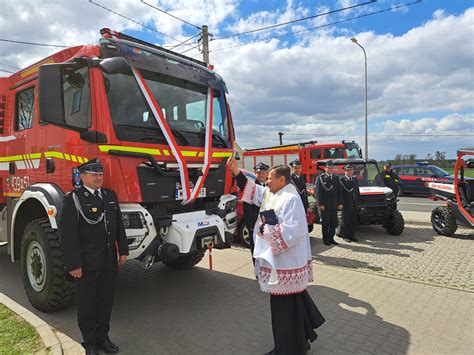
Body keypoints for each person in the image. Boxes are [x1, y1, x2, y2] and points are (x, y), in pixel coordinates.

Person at [228, 157, 325, 355]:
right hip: (278, 261)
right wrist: (236, 171)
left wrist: (266, 231)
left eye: (271, 178)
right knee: (293, 304)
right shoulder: (272, 193)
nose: (267, 181)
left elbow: (293, 231)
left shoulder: (290, 199)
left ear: (282, 180)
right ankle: (302, 339)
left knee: (282, 310)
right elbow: (252, 190)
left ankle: (286, 349)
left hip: (285, 263)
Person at [59, 158, 129, 355]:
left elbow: (118, 227)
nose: (99, 177)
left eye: (100, 174)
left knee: (106, 302)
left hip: (108, 260)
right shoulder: (73, 198)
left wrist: (122, 250)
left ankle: (103, 338)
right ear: (82, 176)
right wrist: (74, 264)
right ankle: (89, 343)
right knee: (87, 304)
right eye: (94, 174)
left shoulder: (109, 195)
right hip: (86, 262)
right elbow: (68, 235)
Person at [243, 162, 269, 263]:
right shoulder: (251, 186)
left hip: (268, 223)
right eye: (258, 173)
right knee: (255, 248)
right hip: (255, 223)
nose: (261, 175)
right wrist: (250, 225)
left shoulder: (271, 185)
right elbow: (247, 207)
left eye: (263, 173)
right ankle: (257, 271)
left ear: (267, 173)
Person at [315, 161, 343, 246]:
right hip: (325, 205)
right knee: (326, 223)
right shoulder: (321, 178)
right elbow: (318, 193)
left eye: (331, 168)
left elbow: (339, 192)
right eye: (328, 168)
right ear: (325, 168)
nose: (330, 169)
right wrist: (321, 204)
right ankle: (325, 239)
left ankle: (331, 238)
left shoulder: (336, 178)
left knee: (333, 223)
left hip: (334, 205)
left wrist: (340, 203)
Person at [289, 159, 313, 233]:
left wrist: (307, 206)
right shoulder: (290, 179)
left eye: (299, 168)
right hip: (295, 204)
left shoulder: (302, 177)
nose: (297, 169)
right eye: (295, 168)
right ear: (292, 168)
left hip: (303, 204)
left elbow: (304, 193)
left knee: (303, 221)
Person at [339, 164, 360, 242]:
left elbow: (357, 192)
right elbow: (340, 193)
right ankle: (346, 236)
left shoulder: (354, 179)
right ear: (345, 171)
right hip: (346, 204)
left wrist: (358, 202)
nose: (350, 172)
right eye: (348, 170)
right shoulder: (342, 180)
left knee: (353, 221)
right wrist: (340, 203)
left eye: (351, 170)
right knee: (346, 221)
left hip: (354, 203)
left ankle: (352, 235)